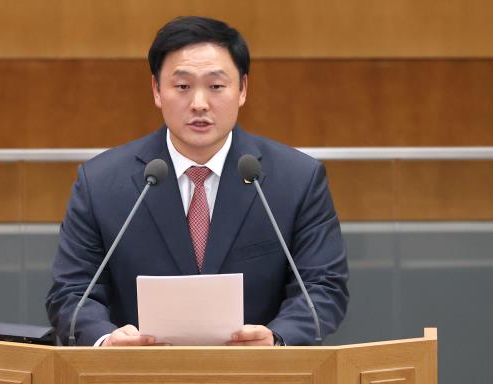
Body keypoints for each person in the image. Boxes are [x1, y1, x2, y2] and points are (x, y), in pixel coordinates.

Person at [46, 16, 348, 347]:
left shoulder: (297, 180)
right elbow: (71, 292)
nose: (199, 104)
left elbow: (323, 287)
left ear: (242, 89)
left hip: (258, 373)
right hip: (137, 374)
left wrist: (277, 339)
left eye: (216, 87)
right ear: (156, 90)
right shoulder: (100, 183)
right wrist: (106, 341)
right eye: (183, 87)